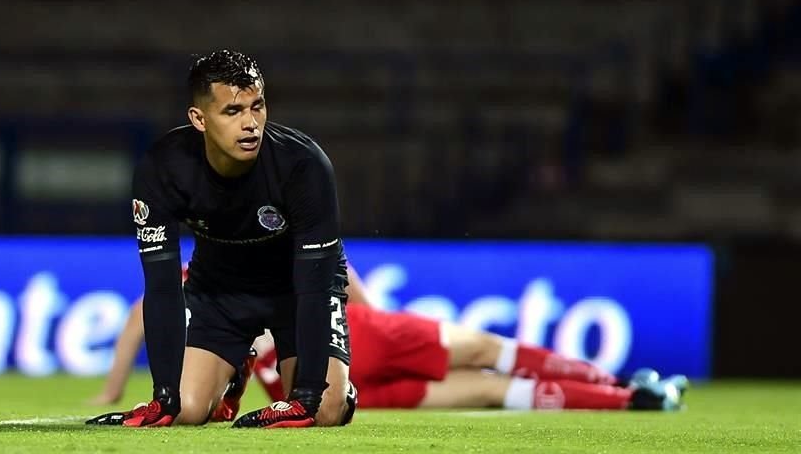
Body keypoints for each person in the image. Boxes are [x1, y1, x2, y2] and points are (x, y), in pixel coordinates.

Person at [88, 49, 356, 429]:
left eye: (257, 106)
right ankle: (235, 369)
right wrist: (164, 397)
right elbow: (162, 287)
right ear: (199, 119)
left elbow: (315, 286)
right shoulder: (163, 169)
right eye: (233, 111)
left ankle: (338, 391)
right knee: (184, 412)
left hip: (298, 293)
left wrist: (308, 396)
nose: (251, 124)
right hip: (220, 292)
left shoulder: (303, 165)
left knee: (325, 412)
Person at [92, 266, 687, 413]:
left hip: (316, 389)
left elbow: (135, 326)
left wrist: (114, 390)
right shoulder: (254, 243)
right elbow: (333, 264)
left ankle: (633, 398)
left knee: (487, 390)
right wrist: (371, 319)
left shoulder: (184, 291)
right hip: (354, 345)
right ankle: (623, 388)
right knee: (485, 352)